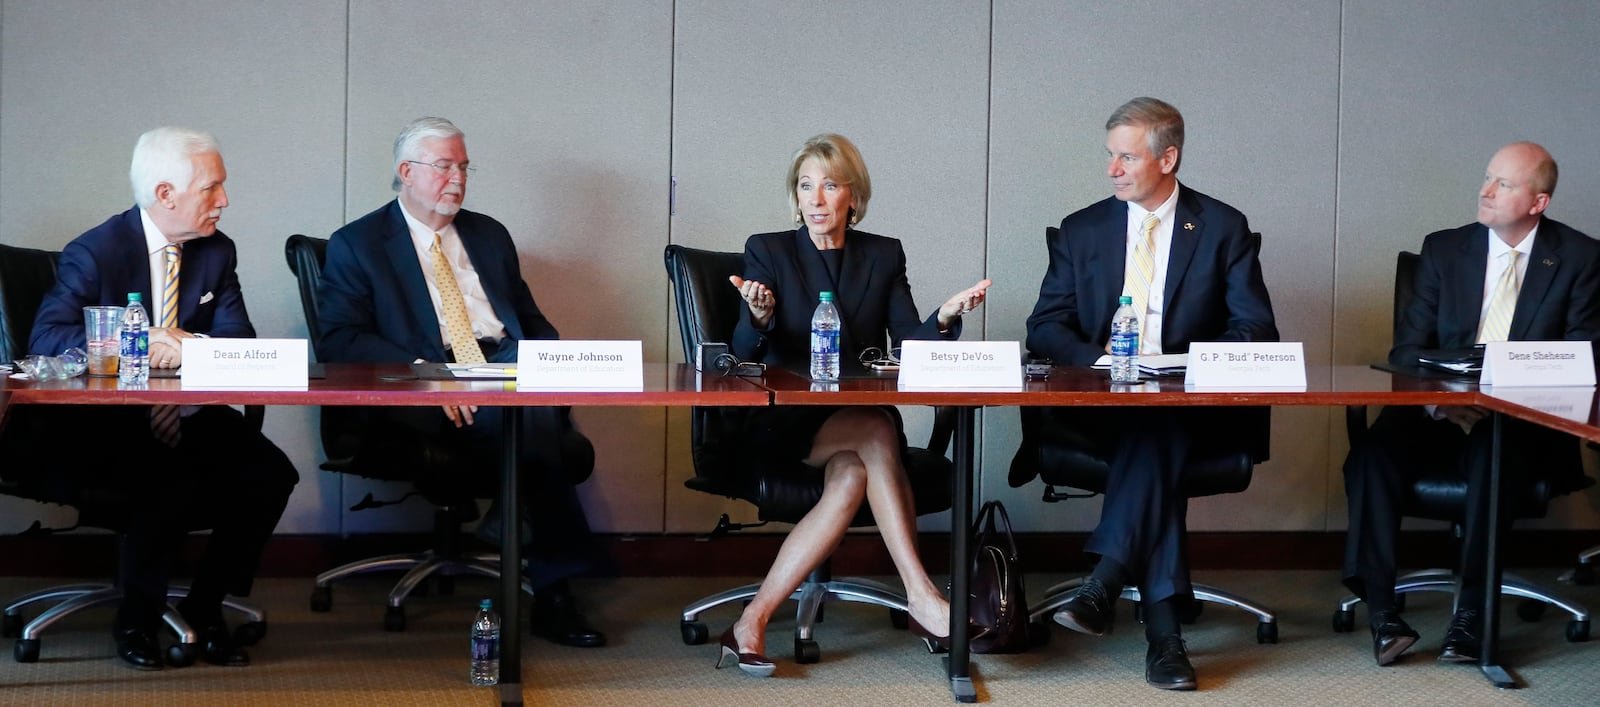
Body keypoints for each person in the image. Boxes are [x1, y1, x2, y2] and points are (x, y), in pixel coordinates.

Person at [316, 117, 605, 648]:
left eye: (464, 167)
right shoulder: (358, 244)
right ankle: (556, 590)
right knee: (533, 421)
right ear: (406, 172)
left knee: (530, 392)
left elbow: (531, 322)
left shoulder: (488, 235)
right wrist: (432, 378)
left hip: (500, 367)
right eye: (444, 166)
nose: (458, 178)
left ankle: (509, 518)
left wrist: (554, 360)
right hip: (425, 382)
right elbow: (341, 341)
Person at [1021, 98, 1277, 690]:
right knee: (1149, 434)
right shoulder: (1083, 229)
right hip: (1099, 405)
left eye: (1126, 157)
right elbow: (1046, 325)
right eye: (1109, 155)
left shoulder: (1221, 227)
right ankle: (1162, 638)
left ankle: (1106, 582)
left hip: (1187, 406)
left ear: (1168, 158)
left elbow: (1255, 329)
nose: (1111, 169)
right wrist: (1103, 360)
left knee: (1158, 424)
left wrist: (1185, 369)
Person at [716, 133, 992, 677]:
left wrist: (943, 318)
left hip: (859, 414)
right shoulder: (768, 251)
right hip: (783, 418)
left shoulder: (882, 254)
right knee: (873, 431)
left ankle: (750, 622)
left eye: (830, 184)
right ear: (795, 198)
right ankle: (921, 595)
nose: (816, 198)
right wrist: (760, 317)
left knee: (851, 474)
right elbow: (741, 354)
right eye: (805, 186)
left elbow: (909, 343)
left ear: (853, 198)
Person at [26, 127, 298, 670]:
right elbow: (47, 340)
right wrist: (138, 343)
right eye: (211, 188)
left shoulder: (216, 251)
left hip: (188, 416)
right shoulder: (96, 250)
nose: (225, 200)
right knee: (166, 480)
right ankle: (136, 618)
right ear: (166, 193)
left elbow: (237, 343)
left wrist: (187, 343)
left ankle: (205, 606)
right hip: (106, 425)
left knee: (271, 475)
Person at [1342, 141, 1600, 667]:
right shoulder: (1444, 249)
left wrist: (1505, 391)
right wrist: (1443, 403)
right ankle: (1384, 612)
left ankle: (1474, 616)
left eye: (1503, 184)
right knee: (1371, 455)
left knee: (1492, 453)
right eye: (1487, 178)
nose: (1484, 191)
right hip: (1436, 410)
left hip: (1521, 421)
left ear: (1538, 202)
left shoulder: (1580, 258)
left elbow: (1584, 357)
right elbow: (1408, 350)